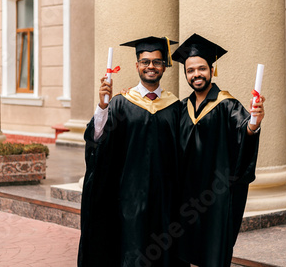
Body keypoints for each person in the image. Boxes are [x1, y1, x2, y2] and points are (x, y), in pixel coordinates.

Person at [78, 36, 188, 267]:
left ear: (165, 66)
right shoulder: (119, 103)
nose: (151, 66)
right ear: (137, 65)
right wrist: (102, 106)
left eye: (157, 62)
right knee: (133, 249)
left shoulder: (176, 107)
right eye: (145, 61)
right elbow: (97, 139)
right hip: (129, 195)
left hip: (165, 197)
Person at [171, 33, 265, 267]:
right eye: (190, 70)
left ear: (212, 70)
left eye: (201, 69)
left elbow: (245, 130)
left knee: (213, 252)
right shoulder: (180, 108)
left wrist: (254, 123)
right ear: (185, 74)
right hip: (185, 195)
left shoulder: (228, 105)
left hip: (215, 197)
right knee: (181, 249)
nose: (196, 75)